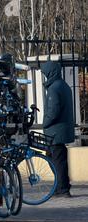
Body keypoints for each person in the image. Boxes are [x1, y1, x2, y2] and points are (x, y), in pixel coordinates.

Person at [41, 61, 75, 198]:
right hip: (60, 131)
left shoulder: (54, 88)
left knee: (57, 161)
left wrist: (44, 123)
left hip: (55, 132)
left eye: (45, 73)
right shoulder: (63, 85)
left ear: (50, 72)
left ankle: (62, 189)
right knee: (56, 159)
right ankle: (61, 185)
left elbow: (53, 111)